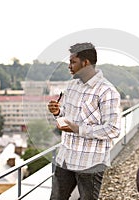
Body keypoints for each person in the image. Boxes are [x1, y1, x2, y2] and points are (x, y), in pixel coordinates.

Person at [48, 42, 121, 200]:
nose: (69, 66)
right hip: (66, 157)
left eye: (73, 62)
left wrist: (78, 129)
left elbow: (113, 129)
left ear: (86, 63)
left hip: (90, 162)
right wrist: (58, 112)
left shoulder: (107, 91)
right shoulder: (72, 85)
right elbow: (68, 115)